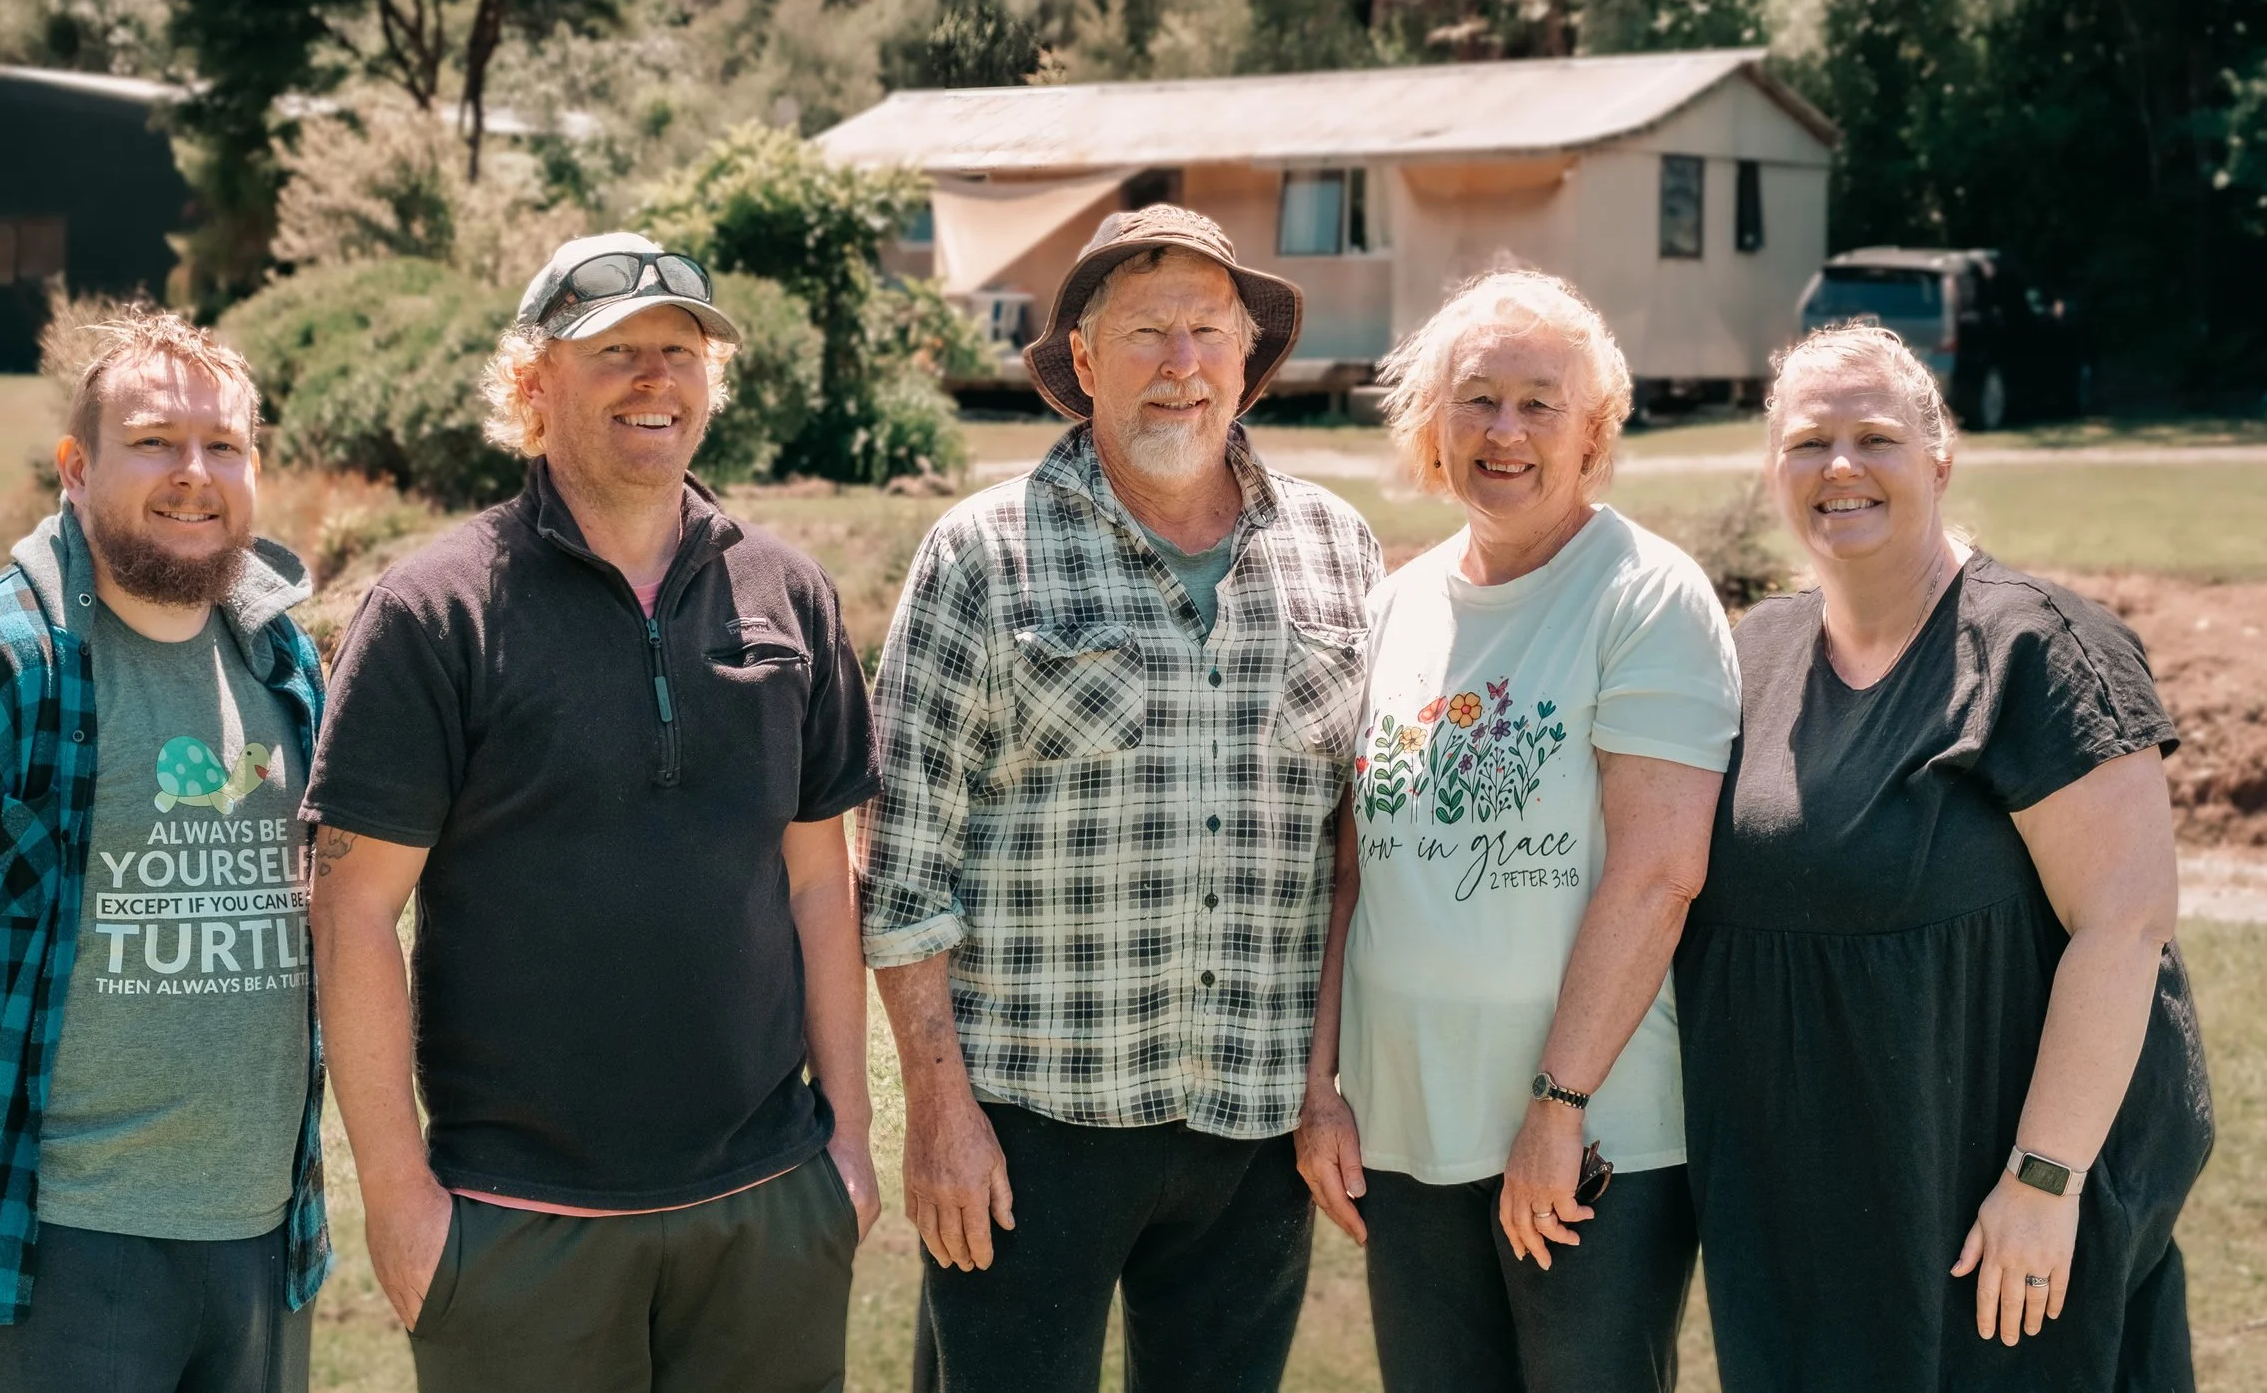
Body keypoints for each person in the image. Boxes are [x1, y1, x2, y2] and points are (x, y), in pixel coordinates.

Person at [304, 232, 881, 1393]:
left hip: (766, 1209)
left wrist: (851, 1149)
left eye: (679, 350)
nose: (653, 377)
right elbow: (354, 911)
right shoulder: (436, 610)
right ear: (536, 382)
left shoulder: (789, 595)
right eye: (613, 350)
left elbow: (822, 880)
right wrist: (402, 1200)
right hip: (518, 1226)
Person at [861, 203, 1383, 1393]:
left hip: (1256, 1127)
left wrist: (1324, 1085)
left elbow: (1355, 848)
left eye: (1208, 330)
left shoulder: (1337, 547)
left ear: (1247, 360)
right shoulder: (982, 551)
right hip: (1032, 1120)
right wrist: (939, 1111)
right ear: (1084, 361)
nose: (1181, 364)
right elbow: (901, 865)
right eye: (1146, 332)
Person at [1674, 323, 2210, 1391]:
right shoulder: (1747, 655)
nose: (1839, 465)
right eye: (1805, 441)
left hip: (1994, 1223)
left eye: (1874, 435)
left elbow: (2126, 924)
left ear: (1939, 454)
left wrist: (2044, 1180)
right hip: (1800, 1222)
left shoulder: (2035, 651)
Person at [0, 308, 329, 1393]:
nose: (194, 474)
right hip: (54, 1237)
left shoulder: (281, 652)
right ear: (75, 466)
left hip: (262, 1225)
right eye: (153, 440)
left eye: (224, 446)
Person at [1294, 271, 1741, 1393]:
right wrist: (1321, 1086)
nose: (1503, 429)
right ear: (1429, 423)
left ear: (1593, 430)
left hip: (1592, 1142)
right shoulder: (1397, 603)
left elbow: (1656, 876)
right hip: (1404, 1128)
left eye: (1539, 402)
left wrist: (1559, 1104)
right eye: (1475, 397)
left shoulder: (1645, 596)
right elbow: (1354, 868)